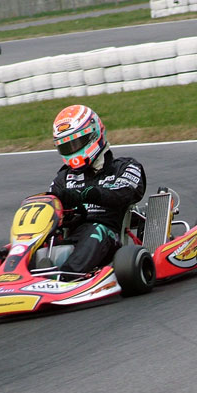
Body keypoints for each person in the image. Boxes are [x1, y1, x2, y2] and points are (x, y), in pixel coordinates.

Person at [44, 104, 146, 276]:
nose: (72, 151)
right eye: (67, 147)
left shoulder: (126, 167)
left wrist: (88, 194)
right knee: (35, 239)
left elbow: (124, 193)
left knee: (96, 231)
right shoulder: (64, 178)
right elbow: (50, 204)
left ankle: (66, 276)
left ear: (94, 135)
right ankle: (12, 274)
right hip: (72, 235)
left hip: (108, 236)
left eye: (76, 143)